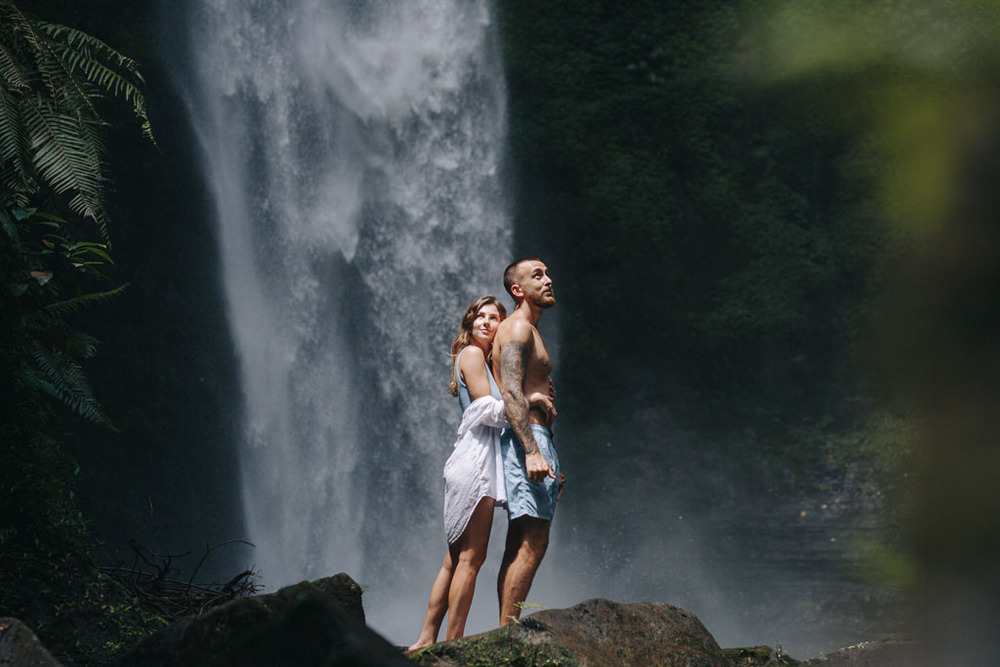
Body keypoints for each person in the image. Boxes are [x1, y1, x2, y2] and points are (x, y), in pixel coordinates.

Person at [408, 295, 555, 651]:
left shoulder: (485, 362)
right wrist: (529, 400)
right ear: (470, 324)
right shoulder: (472, 355)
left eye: (495, 318)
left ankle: (427, 639)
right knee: (471, 559)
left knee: (454, 560)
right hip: (475, 463)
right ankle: (452, 644)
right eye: (481, 317)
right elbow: (487, 408)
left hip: (476, 462)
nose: (488, 323)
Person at [492, 258, 563, 625]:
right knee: (534, 540)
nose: (548, 280)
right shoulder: (518, 328)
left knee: (519, 540)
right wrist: (533, 452)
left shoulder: (525, 329)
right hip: (528, 439)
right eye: (538, 275)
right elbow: (510, 391)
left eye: (547, 273)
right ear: (517, 289)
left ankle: (505, 628)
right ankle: (509, 633)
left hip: (532, 436)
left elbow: (520, 390)